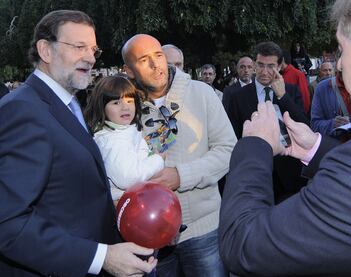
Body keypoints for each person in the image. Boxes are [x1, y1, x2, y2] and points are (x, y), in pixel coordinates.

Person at [219, 0, 351, 275]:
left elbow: (244, 244)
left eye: (342, 51)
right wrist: (317, 148)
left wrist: (255, 145)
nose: (340, 66)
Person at [0, 10, 156, 276]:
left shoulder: (68, 105)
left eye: (93, 49)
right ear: (45, 51)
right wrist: (100, 257)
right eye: (79, 47)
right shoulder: (23, 110)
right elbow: (8, 222)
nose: (90, 57)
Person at [122, 34, 236, 277]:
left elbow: (228, 150)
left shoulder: (202, 93)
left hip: (204, 232)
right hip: (150, 239)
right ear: (128, 70)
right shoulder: (124, 108)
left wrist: (181, 176)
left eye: (159, 55)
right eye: (144, 60)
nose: (156, 65)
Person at [226, 41, 308, 202]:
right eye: (260, 65)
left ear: (279, 67)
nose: (264, 71)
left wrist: (283, 97)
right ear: (254, 65)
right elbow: (232, 137)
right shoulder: (238, 97)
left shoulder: (291, 91)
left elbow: (304, 125)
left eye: (270, 66)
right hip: (255, 174)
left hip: (290, 172)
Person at [84, 75, 165, 202]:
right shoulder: (114, 141)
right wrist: (158, 160)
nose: (125, 107)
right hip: (129, 204)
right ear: (102, 107)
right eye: (116, 102)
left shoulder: (123, 131)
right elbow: (128, 178)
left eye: (129, 101)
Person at [280, 49, 311, 114]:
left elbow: (305, 97)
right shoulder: (278, 73)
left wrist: (302, 116)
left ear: (282, 60)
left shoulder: (298, 74)